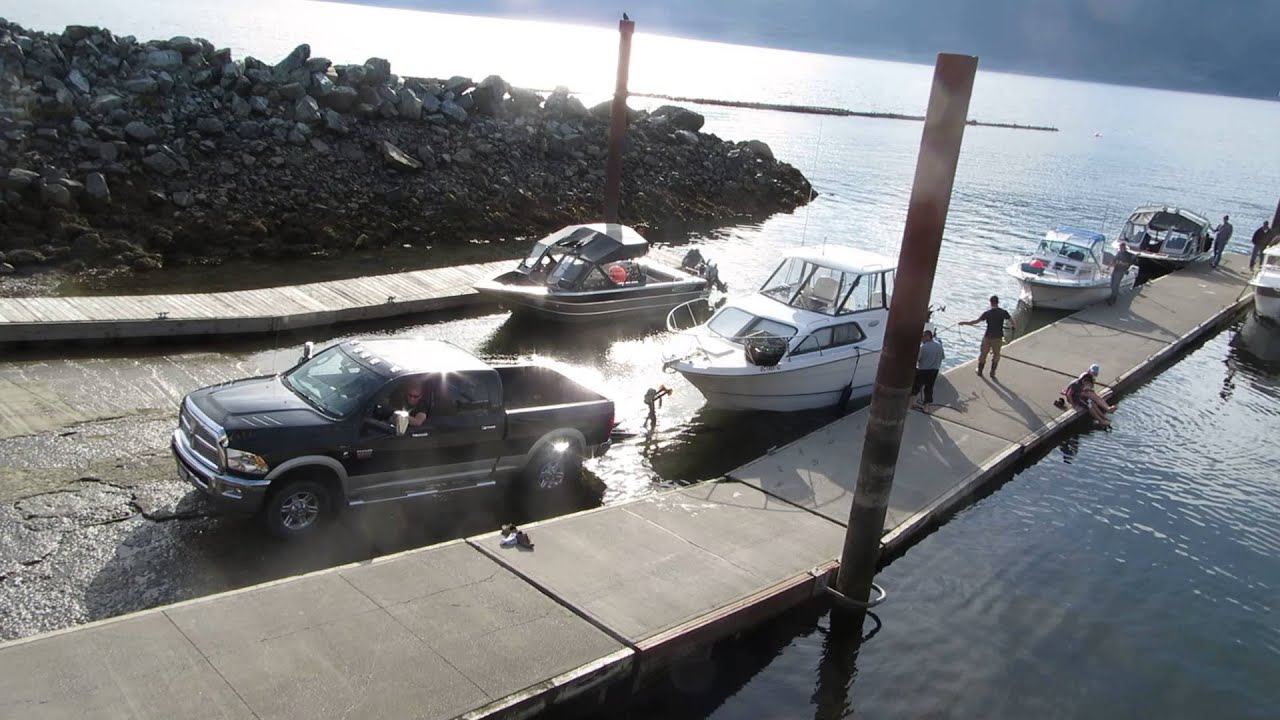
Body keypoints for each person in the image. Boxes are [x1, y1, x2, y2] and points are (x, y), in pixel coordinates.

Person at [960, 295, 1014, 379]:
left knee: (983, 354)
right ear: (998, 302)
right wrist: (1013, 327)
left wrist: (964, 323)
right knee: (996, 354)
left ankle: (980, 371)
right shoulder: (1003, 312)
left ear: (991, 302)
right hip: (998, 337)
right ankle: (992, 372)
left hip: (988, 337)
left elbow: (975, 321)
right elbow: (1012, 321)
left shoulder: (987, 313)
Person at [911, 330, 945, 409]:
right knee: (929, 388)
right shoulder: (939, 345)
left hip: (923, 370)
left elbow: (918, 359)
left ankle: (912, 403)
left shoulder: (923, 347)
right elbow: (942, 357)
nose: (921, 339)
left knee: (916, 387)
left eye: (923, 337)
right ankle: (926, 407)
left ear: (927, 337)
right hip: (934, 371)